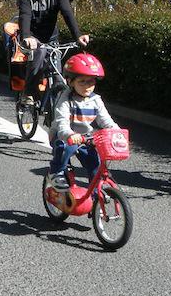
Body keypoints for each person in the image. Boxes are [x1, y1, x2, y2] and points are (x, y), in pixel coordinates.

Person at [17, 0, 90, 105]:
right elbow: (24, 16)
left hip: (51, 39)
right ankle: (29, 93)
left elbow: (67, 14)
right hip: (32, 38)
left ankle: (58, 109)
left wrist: (78, 36)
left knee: (58, 77)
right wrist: (26, 37)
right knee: (39, 54)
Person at [47, 53, 118, 195]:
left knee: (95, 164)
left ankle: (96, 195)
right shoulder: (65, 98)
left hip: (85, 137)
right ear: (70, 82)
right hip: (63, 135)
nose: (87, 86)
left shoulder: (96, 100)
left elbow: (106, 120)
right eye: (82, 82)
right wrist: (69, 134)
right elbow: (62, 121)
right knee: (65, 148)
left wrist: (117, 132)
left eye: (91, 82)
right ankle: (55, 173)